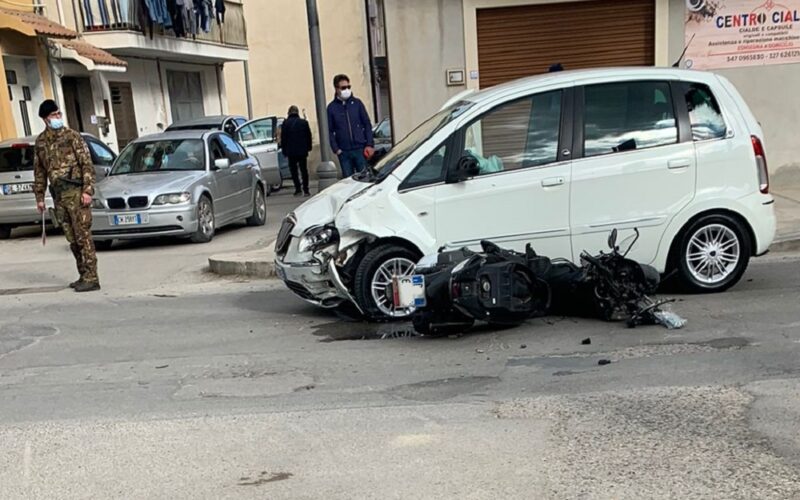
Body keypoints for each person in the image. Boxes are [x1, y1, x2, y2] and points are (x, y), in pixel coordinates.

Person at [33, 99, 100, 292]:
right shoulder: (41, 142)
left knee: (83, 236)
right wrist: (39, 197)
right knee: (72, 238)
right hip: (59, 196)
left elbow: (86, 164)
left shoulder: (72, 137)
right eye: (54, 115)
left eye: (58, 114)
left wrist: (87, 190)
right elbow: (39, 172)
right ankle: (82, 274)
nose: (58, 118)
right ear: (45, 119)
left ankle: (92, 277)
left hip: (77, 193)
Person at [327, 74, 374, 177]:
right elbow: (329, 131)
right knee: (348, 180)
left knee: (364, 178)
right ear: (336, 88)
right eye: (343, 88)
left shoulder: (357, 104)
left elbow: (366, 124)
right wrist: (336, 149)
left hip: (360, 149)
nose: (347, 90)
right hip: (344, 151)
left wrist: (369, 144)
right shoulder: (331, 108)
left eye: (348, 87)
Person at [280, 105, 312, 196]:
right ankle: (306, 189)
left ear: (289, 113)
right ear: (297, 112)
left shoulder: (285, 124)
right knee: (304, 170)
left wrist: (284, 151)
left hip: (291, 151)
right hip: (302, 150)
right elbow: (308, 136)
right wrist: (309, 147)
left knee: (294, 171)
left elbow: (283, 138)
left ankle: (298, 189)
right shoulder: (304, 123)